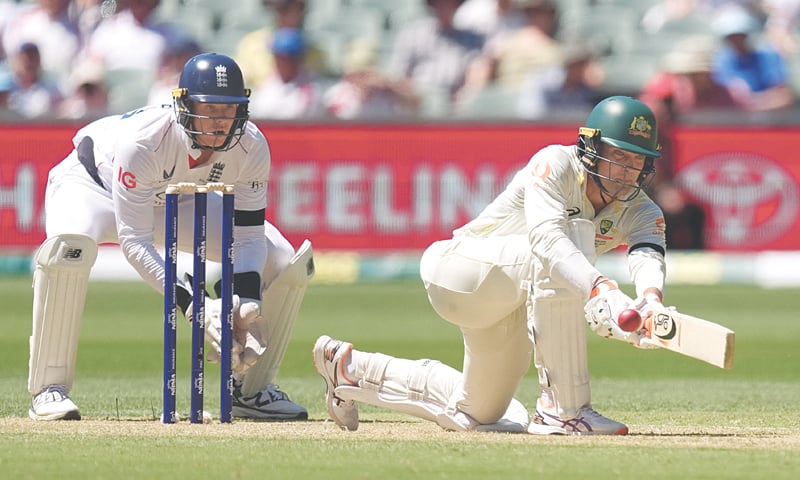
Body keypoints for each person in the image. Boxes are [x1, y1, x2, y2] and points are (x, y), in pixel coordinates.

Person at [314, 96, 668, 435]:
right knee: (561, 249)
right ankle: (565, 411)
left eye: (637, 161)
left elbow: (647, 255)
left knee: (479, 413)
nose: (627, 172)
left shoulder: (641, 208)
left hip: (509, 299)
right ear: (591, 148)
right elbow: (547, 241)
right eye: (619, 157)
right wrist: (600, 290)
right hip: (460, 270)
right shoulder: (556, 164)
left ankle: (349, 369)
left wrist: (649, 303)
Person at [28, 53, 314, 422]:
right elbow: (134, 242)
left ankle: (251, 389)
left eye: (228, 112)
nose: (218, 123)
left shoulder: (252, 145)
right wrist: (196, 304)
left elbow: (247, 238)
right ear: (183, 105)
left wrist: (245, 303)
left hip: (179, 197)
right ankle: (50, 389)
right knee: (70, 247)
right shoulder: (144, 141)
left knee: (281, 256)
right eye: (208, 110)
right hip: (91, 187)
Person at [710, 4, 795, 112]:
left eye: (740, 35)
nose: (736, 40)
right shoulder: (721, 61)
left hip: (771, 122)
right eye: (731, 37)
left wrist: (754, 106)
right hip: (734, 124)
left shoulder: (769, 57)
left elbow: (784, 97)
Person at [249, 27, 325, 119]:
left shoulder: (311, 89)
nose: (283, 63)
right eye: (279, 57)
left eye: (288, 57)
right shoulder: (267, 84)